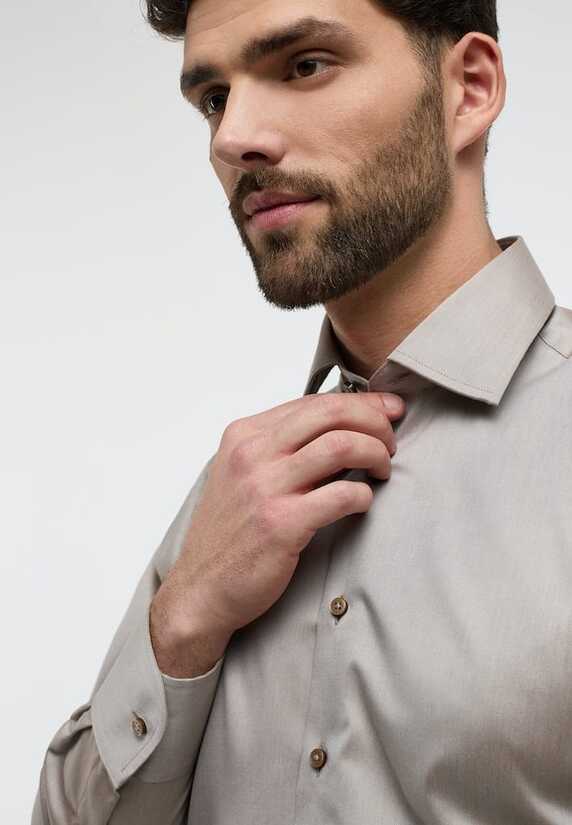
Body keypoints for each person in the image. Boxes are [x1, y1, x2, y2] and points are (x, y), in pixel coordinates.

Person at [32, 0, 572, 823]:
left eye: (305, 65)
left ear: (468, 87)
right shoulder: (234, 495)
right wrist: (180, 626)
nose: (232, 137)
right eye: (214, 98)